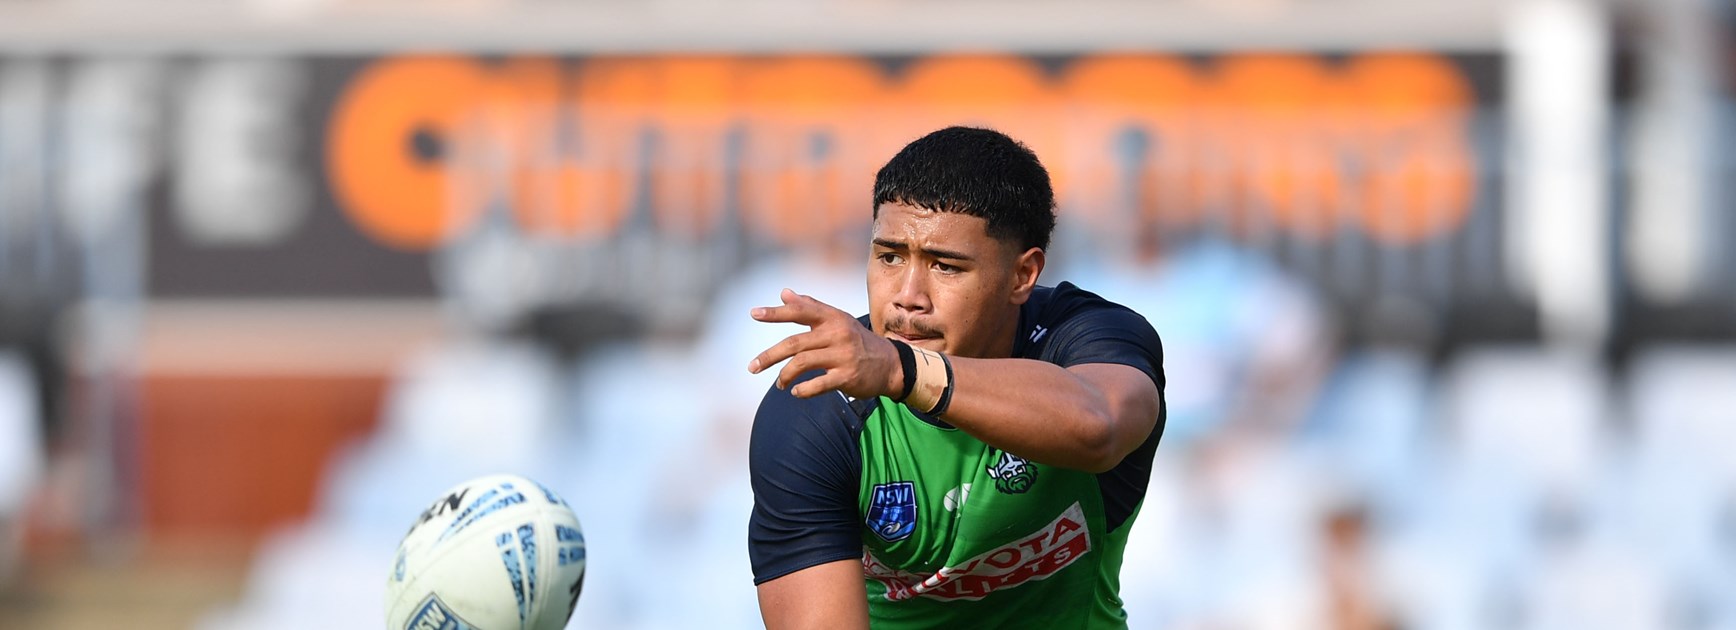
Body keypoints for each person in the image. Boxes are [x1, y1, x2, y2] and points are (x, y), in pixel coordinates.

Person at [745, 126, 1166, 629]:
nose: (907, 297)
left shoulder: (1088, 336)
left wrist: (903, 371)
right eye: (889, 257)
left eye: (945, 266)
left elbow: (1099, 426)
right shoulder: (817, 408)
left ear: (1023, 275)